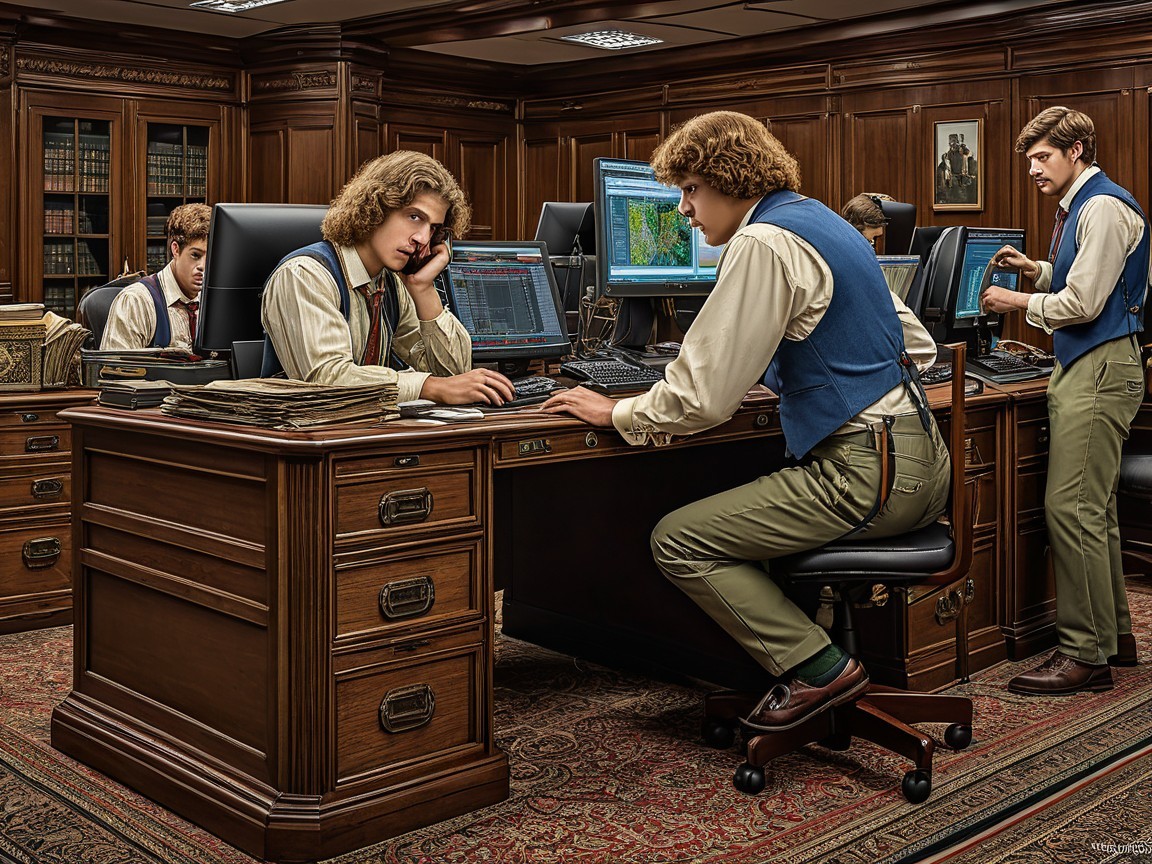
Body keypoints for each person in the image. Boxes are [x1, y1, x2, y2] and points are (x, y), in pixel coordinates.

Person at [541, 111, 950, 732]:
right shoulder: (825, 224)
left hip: (864, 475)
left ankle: (819, 669)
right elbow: (915, 347)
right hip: (921, 466)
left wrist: (615, 409)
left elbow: (702, 399)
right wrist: (790, 363)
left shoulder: (761, 242)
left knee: (680, 540)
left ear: (729, 180)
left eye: (691, 190)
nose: (683, 210)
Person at [980, 106, 1148, 695]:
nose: (1033, 169)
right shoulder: (1086, 206)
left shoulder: (1101, 206)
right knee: (1093, 511)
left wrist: (1015, 301)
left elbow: (1084, 305)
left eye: (1042, 157)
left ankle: (1083, 655)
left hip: (1100, 367)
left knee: (1069, 510)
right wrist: (1038, 270)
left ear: (1076, 151)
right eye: (1029, 160)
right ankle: (1114, 637)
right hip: (1096, 365)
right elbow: (1086, 278)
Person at [261, 150, 515, 406]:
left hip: (369, 433)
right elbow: (327, 379)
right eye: (414, 217)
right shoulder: (305, 275)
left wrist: (423, 287)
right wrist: (429, 386)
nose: (423, 239)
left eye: (433, 228)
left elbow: (455, 377)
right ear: (375, 208)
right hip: (303, 439)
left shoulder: (390, 283)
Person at [101, 203, 211, 350]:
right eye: (195, 255)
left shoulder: (214, 302)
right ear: (175, 250)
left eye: (210, 257)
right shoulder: (136, 301)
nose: (203, 266)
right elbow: (115, 371)